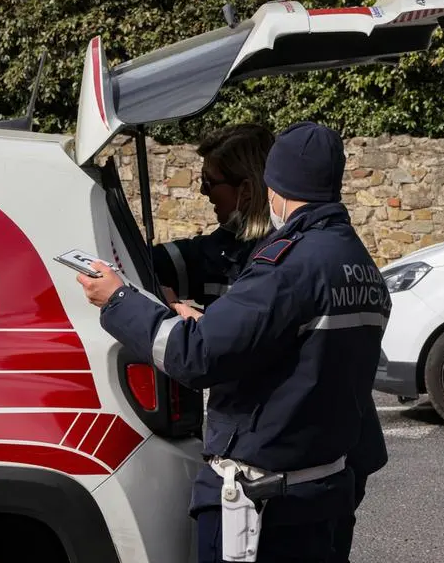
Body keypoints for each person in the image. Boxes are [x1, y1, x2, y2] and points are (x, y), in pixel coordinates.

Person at [78, 121, 392, 563]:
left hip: (266, 499)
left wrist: (119, 300)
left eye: (211, 184)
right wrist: (209, 321)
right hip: (326, 487)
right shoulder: (357, 262)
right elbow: (293, 352)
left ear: (268, 185)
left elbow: (196, 354)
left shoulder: (284, 266)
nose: (205, 193)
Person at [152, 123, 275, 309]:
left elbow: (235, 334)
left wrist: (183, 315)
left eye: (209, 182)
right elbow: (162, 262)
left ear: (246, 189)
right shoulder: (226, 244)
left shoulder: (276, 258)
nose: (202, 191)